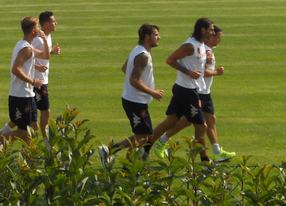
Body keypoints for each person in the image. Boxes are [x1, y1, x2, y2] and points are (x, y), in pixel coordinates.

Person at [153, 25, 235, 162]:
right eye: (217, 36)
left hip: (204, 91)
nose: (219, 40)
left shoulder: (204, 49)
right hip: (198, 91)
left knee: (208, 120)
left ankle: (216, 152)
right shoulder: (202, 49)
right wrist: (217, 73)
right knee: (190, 122)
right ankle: (163, 141)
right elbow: (202, 72)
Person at [0, 17, 48, 160]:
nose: (40, 29)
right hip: (21, 97)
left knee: (33, 129)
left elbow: (46, 55)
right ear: (33, 31)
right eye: (38, 27)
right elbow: (16, 69)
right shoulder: (26, 49)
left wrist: (45, 40)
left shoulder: (26, 46)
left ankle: (28, 158)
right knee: (22, 133)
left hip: (28, 95)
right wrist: (33, 81)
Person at [150, 18, 216, 163]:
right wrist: (188, 72)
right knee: (201, 126)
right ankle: (205, 161)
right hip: (187, 90)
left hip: (186, 88)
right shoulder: (189, 46)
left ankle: (146, 148)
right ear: (203, 30)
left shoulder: (202, 45)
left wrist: (208, 61)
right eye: (211, 29)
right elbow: (170, 60)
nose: (213, 32)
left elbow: (197, 62)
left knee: (171, 122)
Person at [98, 24, 163, 168]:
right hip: (135, 101)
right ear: (147, 37)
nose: (159, 37)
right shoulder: (143, 56)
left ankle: (109, 151)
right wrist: (152, 92)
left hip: (136, 100)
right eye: (156, 34)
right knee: (142, 137)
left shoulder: (138, 51)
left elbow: (124, 69)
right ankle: (127, 170)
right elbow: (134, 80)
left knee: (144, 136)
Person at [32, 10, 60, 141]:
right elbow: (26, 55)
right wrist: (37, 67)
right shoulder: (38, 40)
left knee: (34, 113)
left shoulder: (47, 36)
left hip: (43, 79)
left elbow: (42, 53)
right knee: (45, 111)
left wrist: (52, 52)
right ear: (47, 24)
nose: (56, 23)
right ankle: (46, 141)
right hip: (37, 80)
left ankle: (3, 131)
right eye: (54, 21)